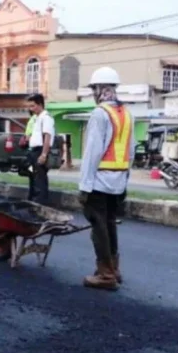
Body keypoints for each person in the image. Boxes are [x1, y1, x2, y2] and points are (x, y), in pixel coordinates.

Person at [79, 66, 133, 291]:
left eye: (94, 88)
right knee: (110, 223)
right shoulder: (126, 113)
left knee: (98, 226)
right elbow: (131, 151)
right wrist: (125, 180)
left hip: (99, 182)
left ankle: (106, 274)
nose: (94, 93)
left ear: (100, 89)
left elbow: (92, 153)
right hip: (118, 181)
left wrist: (84, 186)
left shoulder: (100, 113)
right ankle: (114, 268)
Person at [25, 93, 55, 204]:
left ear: (40, 104)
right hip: (33, 152)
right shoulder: (37, 118)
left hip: (40, 151)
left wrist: (44, 154)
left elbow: (47, 136)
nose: (31, 109)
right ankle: (32, 200)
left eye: (33, 106)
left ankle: (40, 203)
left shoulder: (46, 117)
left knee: (39, 179)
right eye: (29, 106)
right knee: (32, 176)